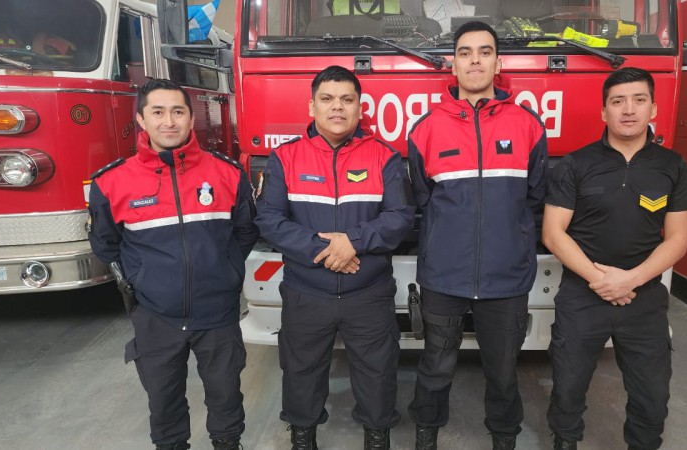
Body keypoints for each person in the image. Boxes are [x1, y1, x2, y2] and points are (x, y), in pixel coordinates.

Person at [88, 79, 259, 450]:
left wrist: (225, 269)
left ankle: (228, 444)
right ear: (141, 120)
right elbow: (106, 244)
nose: (169, 121)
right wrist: (143, 279)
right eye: (158, 112)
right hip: (156, 316)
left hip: (218, 313)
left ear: (190, 117)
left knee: (226, 396)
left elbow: (244, 233)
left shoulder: (227, 174)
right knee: (163, 404)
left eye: (178, 111)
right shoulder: (111, 182)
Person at [254, 65, 415, 450]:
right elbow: (269, 220)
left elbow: (401, 219)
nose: (337, 108)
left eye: (347, 100)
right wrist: (326, 251)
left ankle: (377, 436)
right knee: (300, 372)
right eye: (327, 99)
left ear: (360, 108)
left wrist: (353, 242)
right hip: (307, 292)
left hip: (369, 292)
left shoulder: (385, 158)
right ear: (312, 107)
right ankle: (303, 436)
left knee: (378, 374)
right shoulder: (284, 158)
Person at [407, 21, 548, 450]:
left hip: (506, 277)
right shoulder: (426, 128)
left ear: (498, 63)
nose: (475, 60)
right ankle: (426, 433)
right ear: (452, 65)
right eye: (465, 52)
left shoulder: (528, 125)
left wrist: (517, 245)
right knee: (436, 364)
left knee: (503, 369)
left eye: (484, 52)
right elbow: (420, 199)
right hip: (444, 277)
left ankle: (504, 437)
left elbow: (536, 198)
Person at [543, 67, 687, 450]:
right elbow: (553, 233)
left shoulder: (673, 167)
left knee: (652, 396)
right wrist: (602, 281)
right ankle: (565, 441)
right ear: (603, 112)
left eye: (639, 100)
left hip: (643, 300)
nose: (629, 110)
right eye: (618, 101)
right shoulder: (574, 165)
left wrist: (631, 280)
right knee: (568, 387)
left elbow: (677, 240)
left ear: (653, 108)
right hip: (582, 295)